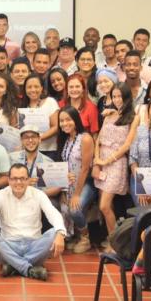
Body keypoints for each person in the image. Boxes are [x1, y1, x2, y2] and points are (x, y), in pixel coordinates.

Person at [0, 163, 66, 281]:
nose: (19, 182)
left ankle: (14, 266)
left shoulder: (38, 194)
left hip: (34, 246)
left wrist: (60, 233)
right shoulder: (0, 195)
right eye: (15, 179)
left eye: (22, 179)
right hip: (9, 246)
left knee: (54, 233)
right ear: (9, 180)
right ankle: (29, 269)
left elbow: (53, 213)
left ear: (28, 180)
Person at [93, 83, 139, 236]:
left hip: (117, 163)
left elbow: (127, 145)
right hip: (102, 162)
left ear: (127, 97)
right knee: (107, 206)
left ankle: (115, 242)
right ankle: (112, 237)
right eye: (114, 96)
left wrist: (107, 161)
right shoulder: (109, 114)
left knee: (104, 206)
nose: (117, 99)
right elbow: (99, 139)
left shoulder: (134, 117)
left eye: (120, 96)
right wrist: (97, 160)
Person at [57, 106, 96, 253]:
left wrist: (76, 194)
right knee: (64, 208)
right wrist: (64, 190)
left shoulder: (85, 138)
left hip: (85, 183)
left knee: (75, 209)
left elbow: (85, 168)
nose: (65, 123)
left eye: (68, 119)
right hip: (69, 184)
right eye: (61, 121)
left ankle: (85, 239)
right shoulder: (66, 139)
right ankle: (74, 236)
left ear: (75, 120)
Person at [9, 125, 62, 208]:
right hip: (16, 198)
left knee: (53, 204)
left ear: (39, 139)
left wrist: (36, 195)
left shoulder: (48, 162)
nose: (30, 140)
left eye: (33, 137)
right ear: (21, 141)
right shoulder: (11, 158)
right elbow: (5, 182)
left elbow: (55, 189)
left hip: (38, 201)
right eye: (26, 137)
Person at [20, 74, 60, 157]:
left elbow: (56, 127)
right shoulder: (22, 106)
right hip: (27, 150)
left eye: (36, 86)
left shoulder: (50, 102)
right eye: (29, 87)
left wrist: (38, 138)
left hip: (48, 150)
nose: (33, 90)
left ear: (42, 88)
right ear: (25, 89)